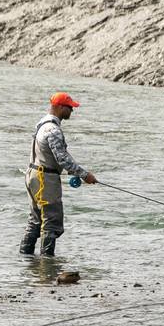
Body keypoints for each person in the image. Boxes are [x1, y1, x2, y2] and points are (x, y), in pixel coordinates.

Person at [20, 92, 97, 257]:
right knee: (51, 223)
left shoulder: (42, 123)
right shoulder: (53, 130)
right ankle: (47, 265)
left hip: (33, 175)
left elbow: (61, 156)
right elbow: (62, 159)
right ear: (60, 107)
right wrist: (85, 175)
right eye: (70, 108)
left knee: (35, 221)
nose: (72, 111)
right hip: (45, 179)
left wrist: (76, 171)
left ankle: (25, 259)